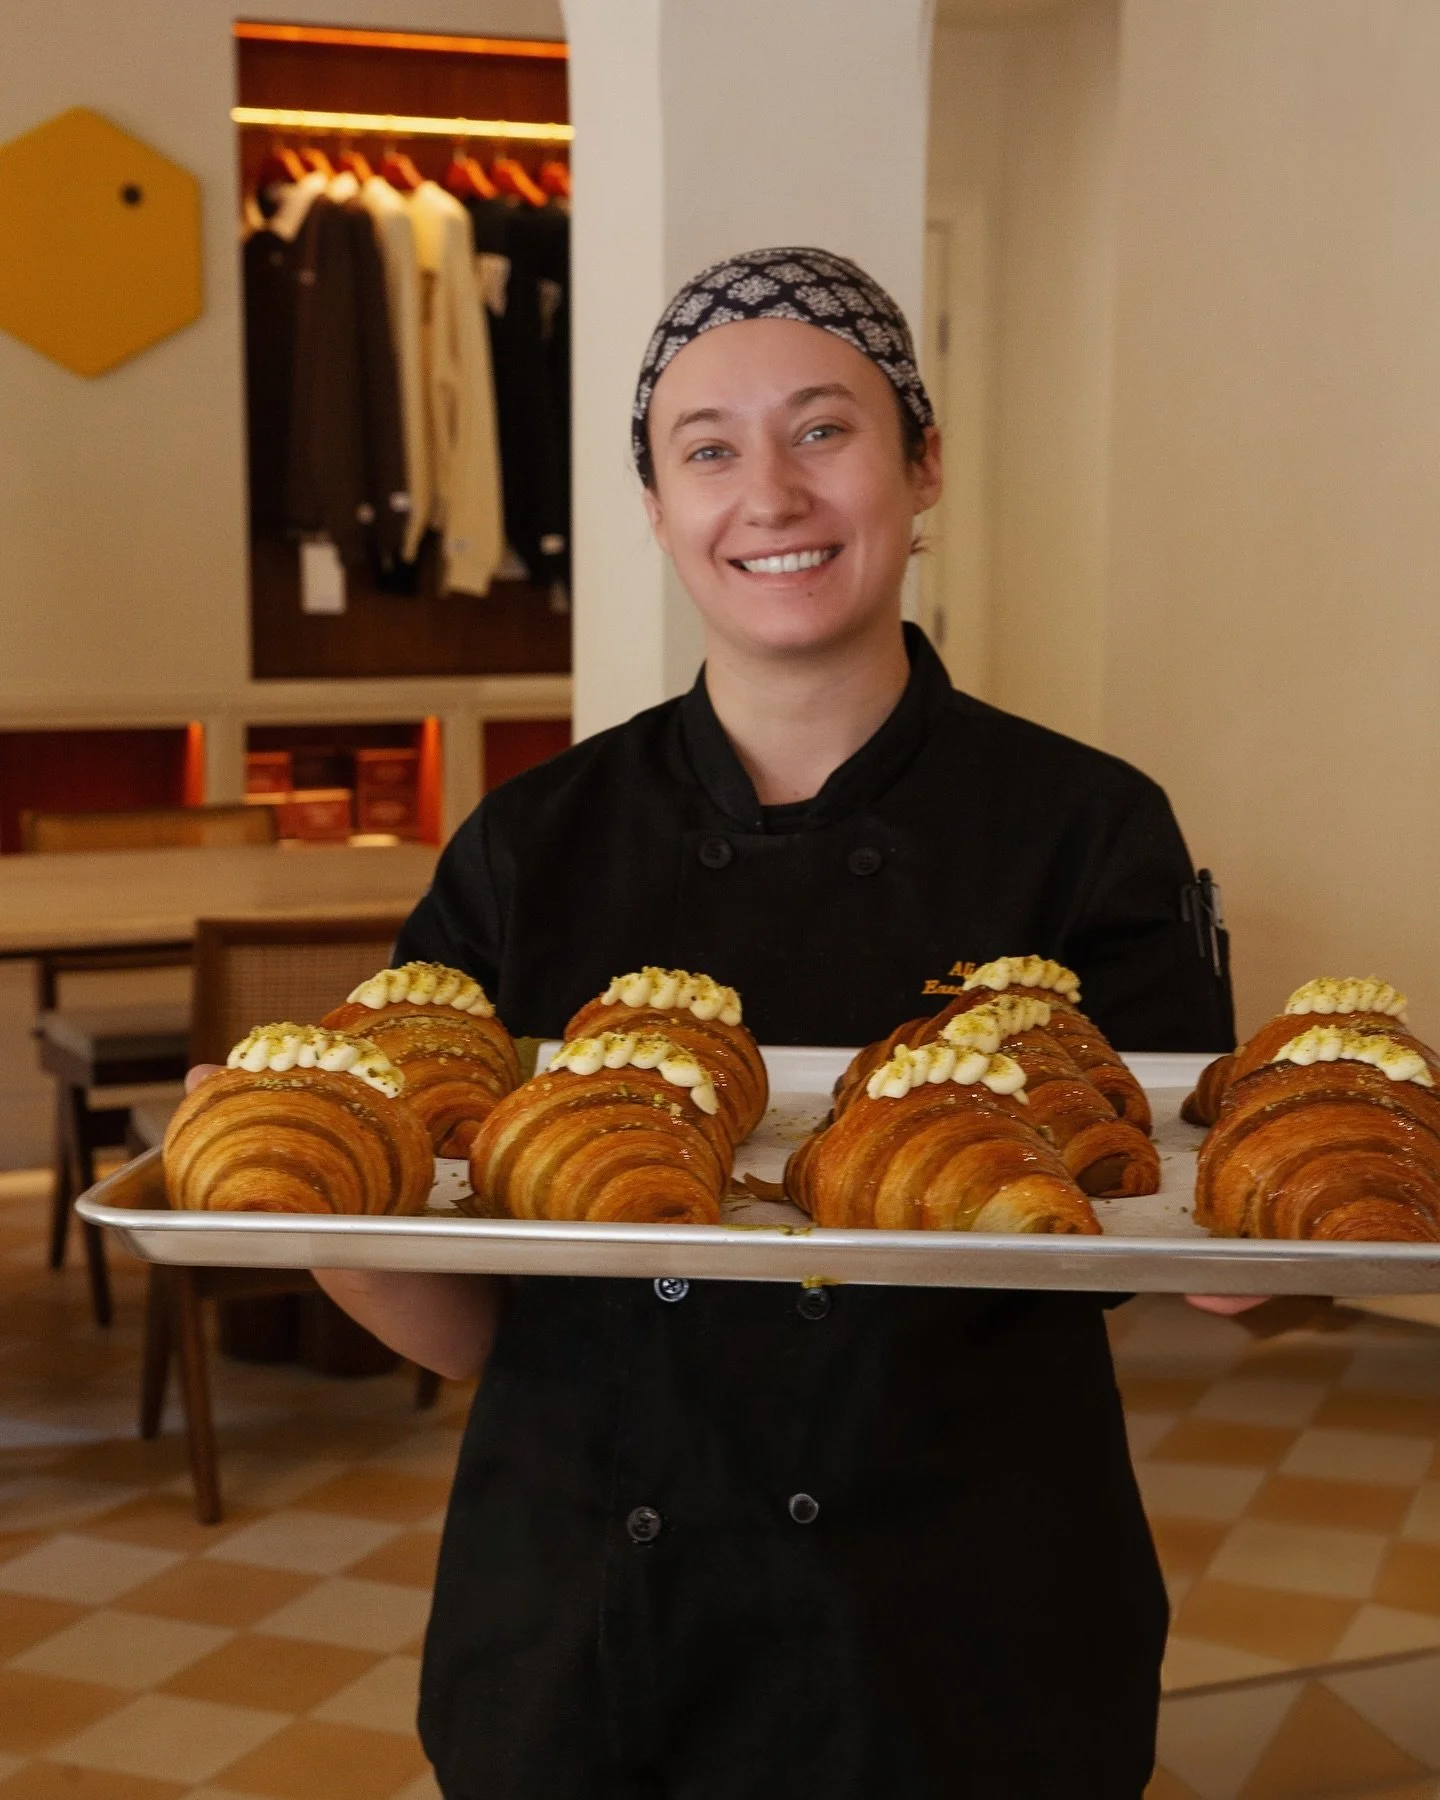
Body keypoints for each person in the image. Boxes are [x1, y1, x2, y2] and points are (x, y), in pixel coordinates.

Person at [297, 248, 1251, 1797]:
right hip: (592, 1631)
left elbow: (1202, 1257)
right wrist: (311, 1203)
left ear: (922, 464)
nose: (771, 496)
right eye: (709, 450)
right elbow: (474, 1327)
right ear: (656, 504)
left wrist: (1298, 1234)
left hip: (966, 1629)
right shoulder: (531, 844)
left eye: (824, 430)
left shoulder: (1085, 826)